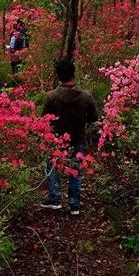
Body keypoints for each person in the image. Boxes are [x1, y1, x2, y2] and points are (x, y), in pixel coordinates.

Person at [40, 59, 98, 216]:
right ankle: (74, 204)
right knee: (75, 170)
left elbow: (44, 118)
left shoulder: (51, 97)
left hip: (56, 139)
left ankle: (54, 199)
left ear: (58, 76)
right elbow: (93, 117)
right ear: (74, 74)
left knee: (52, 168)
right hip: (77, 139)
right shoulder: (85, 96)